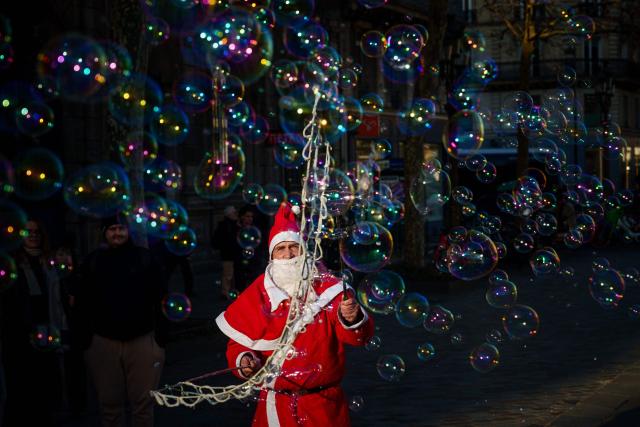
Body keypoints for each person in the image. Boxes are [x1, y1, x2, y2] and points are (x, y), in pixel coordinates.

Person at [215, 203, 374, 426]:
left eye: (294, 247)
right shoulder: (257, 292)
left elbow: (358, 337)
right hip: (275, 409)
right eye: (281, 248)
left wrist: (351, 317)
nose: (288, 254)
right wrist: (245, 360)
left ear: (304, 250)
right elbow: (238, 345)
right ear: (272, 254)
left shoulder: (328, 288)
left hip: (323, 407)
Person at [72, 215, 168, 427]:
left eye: (121, 228)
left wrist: (159, 341)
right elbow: (81, 303)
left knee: (143, 405)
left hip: (142, 339)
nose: (117, 233)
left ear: (128, 231)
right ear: (105, 233)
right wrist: (85, 341)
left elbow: (162, 298)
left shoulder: (144, 258)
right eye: (112, 229)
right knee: (109, 406)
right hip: (103, 342)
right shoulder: (93, 261)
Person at [0, 219, 67, 426]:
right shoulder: (12, 263)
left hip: (47, 329)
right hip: (19, 334)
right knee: (20, 387)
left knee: (44, 386)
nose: (33, 235)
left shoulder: (49, 262)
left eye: (37, 232)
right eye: (28, 232)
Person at [211, 205, 240, 300]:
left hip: (234, 252)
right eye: (234, 213)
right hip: (228, 253)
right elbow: (221, 240)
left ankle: (233, 291)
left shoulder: (235, 224)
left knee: (234, 274)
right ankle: (225, 292)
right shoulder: (225, 226)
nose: (236, 214)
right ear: (229, 215)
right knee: (228, 274)